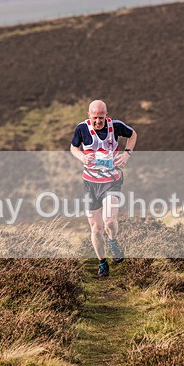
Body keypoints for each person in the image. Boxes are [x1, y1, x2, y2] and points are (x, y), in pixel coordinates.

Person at [70, 100, 137, 277]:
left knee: (109, 221)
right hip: (90, 183)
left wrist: (127, 154)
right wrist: (81, 157)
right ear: (89, 115)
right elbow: (73, 147)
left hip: (111, 181)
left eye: (101, 117)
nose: (98, 121)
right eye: (95, 117)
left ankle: (113, 241)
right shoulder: (82, 129)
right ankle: (102, 263)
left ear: (106, 115)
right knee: (96, 228)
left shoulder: (115, 126)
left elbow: (133, 134)